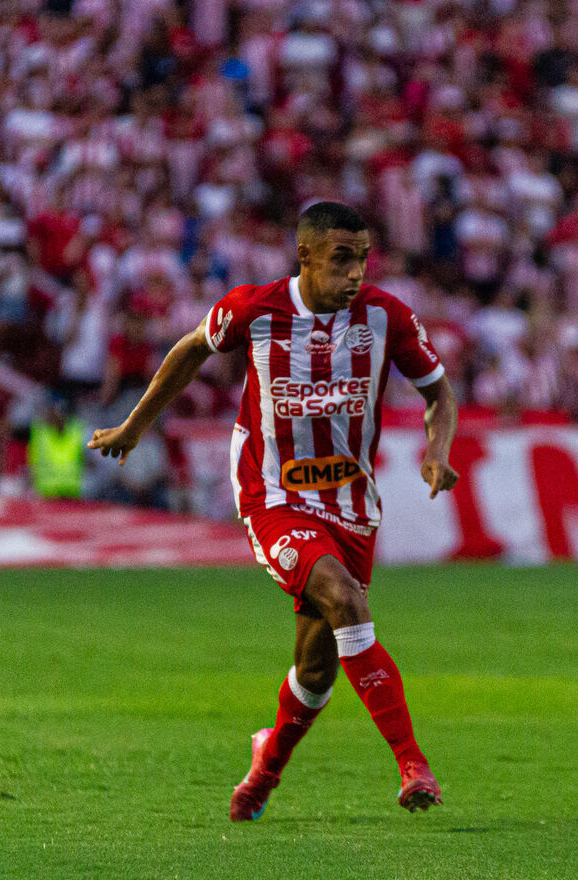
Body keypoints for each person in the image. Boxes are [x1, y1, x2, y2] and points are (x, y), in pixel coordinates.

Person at [87, 202, 459, 820]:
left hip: (351, 501)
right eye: (342, 259)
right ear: (305, 256)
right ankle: (412, 764)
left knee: (317, 666)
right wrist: (134, 426)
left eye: (362, 259)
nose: (355, 274)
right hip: (273, 496)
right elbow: (189, 350)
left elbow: (438, 393)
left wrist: (435, 449)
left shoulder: (386, 317)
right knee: (346, 601)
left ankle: (266, 765)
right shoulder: (256, 309)